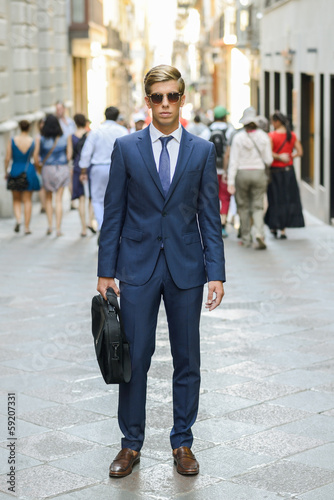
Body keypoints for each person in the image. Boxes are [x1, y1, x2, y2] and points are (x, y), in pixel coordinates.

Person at [97, 64, 225, 478]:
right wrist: (106, 271)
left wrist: (216, 273)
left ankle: (182, 442)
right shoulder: (126, 148)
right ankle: (130, 445)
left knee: (188, 359)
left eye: (172, 96)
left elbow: (210, 216)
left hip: (187, 269)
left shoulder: (202, 151)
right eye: (157, 97)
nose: (165, 104)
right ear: (147, 100)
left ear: (182, 99)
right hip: (137, 268)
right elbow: (113, 212)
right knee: (134, 357)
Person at [227, 107, 273, 249]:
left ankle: (246, 238)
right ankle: (259, 233)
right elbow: (269, 160)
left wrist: (230, 182)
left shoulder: (238, 137)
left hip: (242, 174)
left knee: (243, 206)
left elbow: (233, 161)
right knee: (258, 206)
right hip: (258, 173)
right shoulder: (264, 137)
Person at [79, 106, 128, 231]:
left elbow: (86, 152)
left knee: (97, 199)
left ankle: (102, 226)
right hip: (117, 168)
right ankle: (114, 226)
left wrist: (83, 169)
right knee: (118, 198)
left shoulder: (96, 131)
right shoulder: (122, 131)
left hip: (99, 168)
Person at [265, 111, 304, 238]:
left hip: (275, 172)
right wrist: (290, 156)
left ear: (276, 122)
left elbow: (269, 153)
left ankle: (274, 226)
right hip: (289, 172)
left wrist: (280, 157)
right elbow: (300, 152)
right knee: (287, 199)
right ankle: (283, 230)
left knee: (275, 199)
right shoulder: (291, 135)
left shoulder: (271, 135)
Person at [33, 114, 72, 236]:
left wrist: (38, 165)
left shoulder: (40, 138)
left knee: (48, 199)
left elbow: (35, 156)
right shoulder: (66, 137)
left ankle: (50, 226)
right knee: (59, 199)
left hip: (47, 169)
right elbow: (69, 155)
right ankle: (58, 229)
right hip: (62, 168)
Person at [4, 120, 40, 234]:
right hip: (28, 170)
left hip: (15, 170)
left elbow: (7, 158)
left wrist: (6, 171)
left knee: (16, 199)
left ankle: (18, 219)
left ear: (19, 128)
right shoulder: (32, 141)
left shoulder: (12, 140)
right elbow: (35, 158)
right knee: (27, 200)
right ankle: (26, 227)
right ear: (29, 128)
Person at [209, 106, 235, 237]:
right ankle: (223, 224)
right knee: (225, 197)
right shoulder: (230, 130)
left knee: (212, 197)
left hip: (211, 170)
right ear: (224, 117)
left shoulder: (207, 130)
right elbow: (230, 153)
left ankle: (213, 224)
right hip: (225, 170)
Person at [70, 113, 96, 237]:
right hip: (89, 167)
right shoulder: (90, 134)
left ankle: (83, 228)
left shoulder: (71, 137)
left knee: (81, 198)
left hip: (77, 167)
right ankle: (91, 221)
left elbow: (69, 155)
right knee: (91, 197)